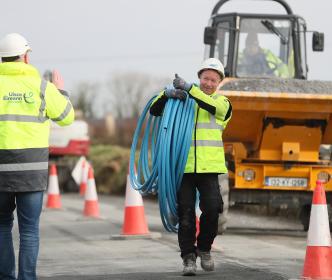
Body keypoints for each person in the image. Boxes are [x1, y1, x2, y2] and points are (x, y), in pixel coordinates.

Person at [0, 33, 74, 280]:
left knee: (1, 227)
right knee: (29, 230)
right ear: (25, 56)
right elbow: (66, 117)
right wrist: (61, 91)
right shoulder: (43, 87)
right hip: (31, 173)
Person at [150, 58, 232, 276]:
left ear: (219, 83)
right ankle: (188, 258)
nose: (208, 83)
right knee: (185, 214)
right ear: (200, 77)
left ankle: (204, 249)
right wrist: (167, 94)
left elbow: (210, 105)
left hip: (209, 168)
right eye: (205, 78)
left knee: (213, 210)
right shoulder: (183, 100)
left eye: (213, 80)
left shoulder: (223, 103)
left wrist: (189, 89)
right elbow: (154, 111)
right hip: (182, 168)